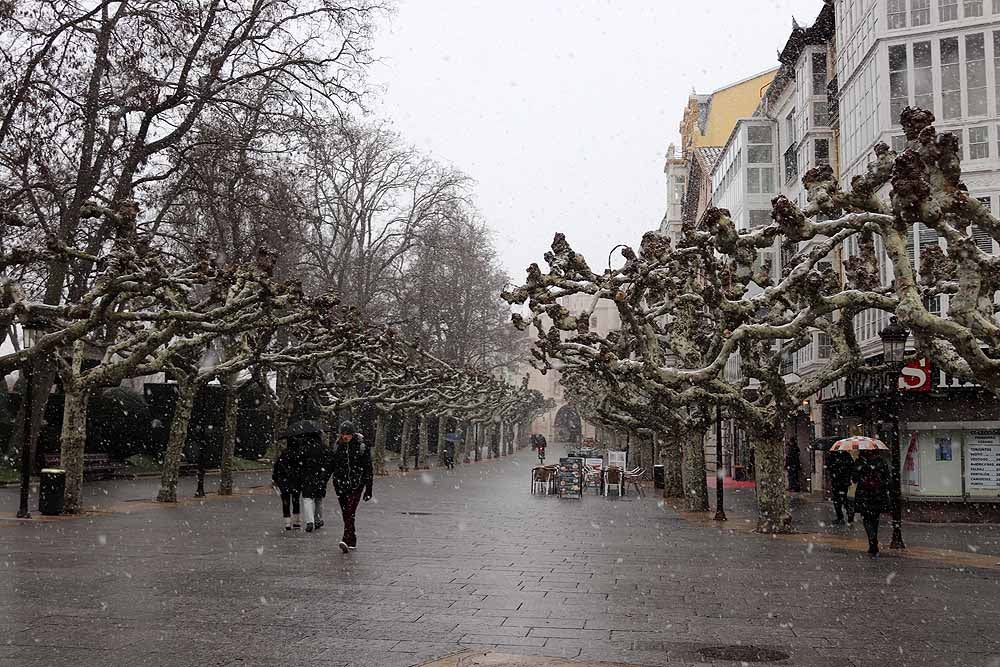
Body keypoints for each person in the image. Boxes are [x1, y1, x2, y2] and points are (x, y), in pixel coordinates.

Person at [329, 420, 374, 553]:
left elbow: (368, 468)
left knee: (350, 510)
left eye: (347, 434)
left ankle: (345, 538)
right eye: (343, 434)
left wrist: (368, 488)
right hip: (340, 483)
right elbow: (332, 465)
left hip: (356, 484)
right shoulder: (338, 446)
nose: (345, 437)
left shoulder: (361, 446)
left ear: (352, 434)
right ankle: (352, 538)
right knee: (346, 512)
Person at [852, 449, 890, 556]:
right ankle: (873, 541)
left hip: (864, 495)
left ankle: (872, 540)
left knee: (866, 519)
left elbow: (854, 479)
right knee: (875, 519)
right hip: (877, 495)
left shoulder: (860, 462)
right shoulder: (880, 462)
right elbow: (887, 478)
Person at [272, 436, 302, 530]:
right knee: (296, 500)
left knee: (285, 501)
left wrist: (275, 479)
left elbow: (277, 468)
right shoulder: (300, 454)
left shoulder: (283, 454)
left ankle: (287, 522)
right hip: (296, 481)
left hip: (284, 481)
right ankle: (296, 521)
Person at [828, 450, 854, 526]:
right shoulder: (847, 455)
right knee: (844, 498)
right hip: (844, 481)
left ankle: (841, 517)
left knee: (837, 500)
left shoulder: (833, 455)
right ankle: (848, 513)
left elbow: (829, 467)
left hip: (837, 481)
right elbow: (851, 467)